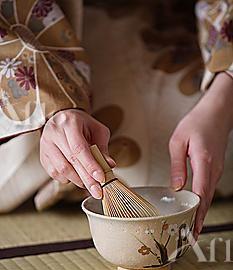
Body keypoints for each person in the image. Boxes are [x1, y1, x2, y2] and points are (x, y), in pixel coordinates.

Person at [0, 0, 232, 239]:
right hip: (48, 30)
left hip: (176, 18)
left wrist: (221, 101)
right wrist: (53, 103)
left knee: (194, 154)